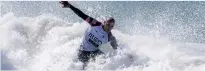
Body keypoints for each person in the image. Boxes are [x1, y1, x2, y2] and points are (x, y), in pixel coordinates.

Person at [60, 1, 118, 69]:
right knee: (80, 67)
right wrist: (70, 6)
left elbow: (118, 49)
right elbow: (82, 15)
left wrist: (128, 56)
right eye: (108, 25)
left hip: (94, 53)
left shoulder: (109, 36)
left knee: (103, 62)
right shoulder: (95, 23)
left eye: (111, 26)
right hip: (83, 50)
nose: (109, 28)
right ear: (104, 22)